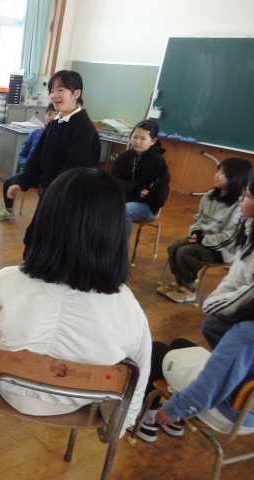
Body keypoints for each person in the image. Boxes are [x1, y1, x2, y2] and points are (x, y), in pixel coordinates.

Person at [0, 168, 151, 431]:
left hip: (9, 391)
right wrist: (117, 427)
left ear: (46, 220)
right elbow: (136, 376)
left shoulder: (4, 283)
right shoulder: (128, 307)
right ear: (113, 232)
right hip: (78, 400)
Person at [4, 71, 101, 257]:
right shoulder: (56, 121)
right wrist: (23, 181)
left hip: (67, 200)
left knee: (55, 244)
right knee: (35, 238)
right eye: (52, 90)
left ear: (77, 93)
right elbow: (37, 156)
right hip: (50, 192)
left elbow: (72, 172)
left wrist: (53, 194)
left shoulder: (83, 129)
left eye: (61, 90)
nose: (54, 95)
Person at [133, 322, 254, 443]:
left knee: (156, 350)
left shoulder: (247, 333)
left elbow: (209, 387)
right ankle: (176, 421)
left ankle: (147, 420)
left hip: (225, 412)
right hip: (249, 412)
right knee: (180, 343)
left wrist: (175, 409)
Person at [159, 157, 252, 303]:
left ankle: (189, 289)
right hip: (203, 240)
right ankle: (179, 282)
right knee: (175, 247)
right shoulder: (209, 195)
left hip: (222, 249)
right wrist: (195, 232)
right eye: (218, 171)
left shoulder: (238, 206)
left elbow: (229, 238)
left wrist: (203, 239)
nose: (217, 175)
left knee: (185, 252)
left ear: (237, 178)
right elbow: (199, 219)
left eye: (224, 173)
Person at [201, 174, 254, 347]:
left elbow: (249, 294)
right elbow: (235, 278)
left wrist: (215, 304)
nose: (241, 199)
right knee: (179, 249)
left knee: (212, 326)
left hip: (244, 308)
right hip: (233, 297)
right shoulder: (248, 226)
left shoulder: (239, 215)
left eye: (247, 195)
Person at [0, 103, 57, 222]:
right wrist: (28, 166)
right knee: (8, 183)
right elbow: (22, 155)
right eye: (49, 114)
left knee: (46, 194)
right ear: (45, 115)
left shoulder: (58, 137)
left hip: (47, 178)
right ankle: (8, 211)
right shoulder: (35, 134)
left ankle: (44, 220)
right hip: (30, 174)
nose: (51, 117)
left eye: (55, 115)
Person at [110, 119, 170, 242]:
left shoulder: (158, 161)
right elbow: (113, 180)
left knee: (125, 211)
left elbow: (159, 187)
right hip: (123, 199)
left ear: (153, 141)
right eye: (135, 137)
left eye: (143, 138)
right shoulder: (123, 157)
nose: (137, 141)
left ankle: (120, 251)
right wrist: (135, 190)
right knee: (99, 206)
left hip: (147, 205)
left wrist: (146, 193)